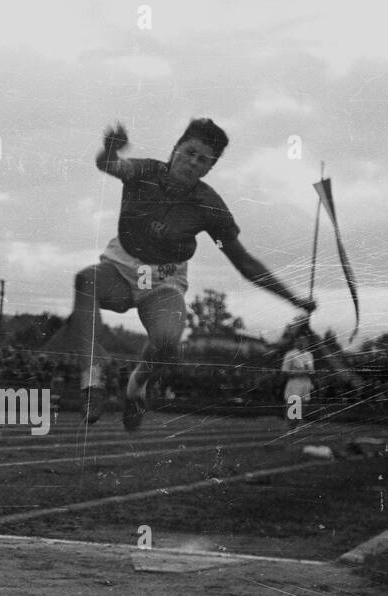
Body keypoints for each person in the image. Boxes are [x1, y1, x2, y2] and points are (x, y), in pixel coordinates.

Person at [71, 119, 315, 431]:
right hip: (120, 268)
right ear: (175, 149)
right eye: (189, 153)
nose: (192, 163)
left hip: (163, 283)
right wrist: (110, 147)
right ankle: (92, 382)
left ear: (209, 169)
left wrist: (294, 298)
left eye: (203, 161)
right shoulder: (144, 170)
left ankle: (136, 386)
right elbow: (108, 164)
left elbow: (245, 263)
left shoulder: (209, 206)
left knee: (167, 342)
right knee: (85, 280)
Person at [280, 323, 316, 427]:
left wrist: (311, 376)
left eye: (304, 340)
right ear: (295, 342)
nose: (302, 342)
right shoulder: (290, 354)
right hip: (294, 384)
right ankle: (290, 429)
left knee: (303, 408)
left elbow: (312, 371)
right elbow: (285, 371)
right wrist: (300, 373)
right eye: (299, 340)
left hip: (306, 384)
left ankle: (295, 426)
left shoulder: (310, 355)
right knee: (293, 409)